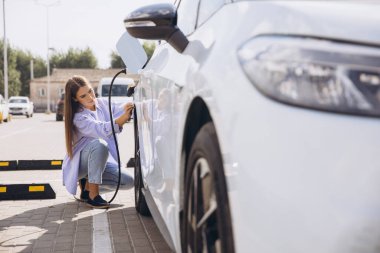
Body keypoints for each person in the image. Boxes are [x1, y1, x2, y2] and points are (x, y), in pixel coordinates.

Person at [62, 75, 134, 208]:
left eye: (90, 91)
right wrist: (123, 118)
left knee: (129, 182)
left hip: (99, 161)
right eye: (83, 96)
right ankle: (93, 196)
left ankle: (86, 188)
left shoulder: (102, 103)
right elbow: (101, 130)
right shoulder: (78, 117)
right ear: (75, 99)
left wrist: (143, 105)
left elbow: (124, 108)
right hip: (81, 166)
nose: (90, 97)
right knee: (99, 144)